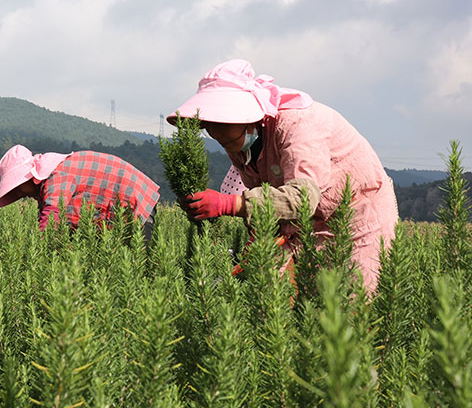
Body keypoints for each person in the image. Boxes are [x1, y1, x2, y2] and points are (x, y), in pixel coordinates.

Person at [168, 59, 398, 292]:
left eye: (224, 126)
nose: (218, 136)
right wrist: (260, 232)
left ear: (248, 118)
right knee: (281, 299)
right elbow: (269, 194)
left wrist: (232, 203)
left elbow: (303, 198)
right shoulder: (241, 145)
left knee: (349, 305)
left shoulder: (298, 125)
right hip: (304, 225)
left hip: (355, 221)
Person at [0, 144, 160, 245]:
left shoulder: (57, 176)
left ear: (28, 178)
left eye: (17, 188)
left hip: (136, 202)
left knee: (138, 266)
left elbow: (51, 218)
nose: (19, 194)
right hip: (120, 210)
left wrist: (35, 253)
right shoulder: (48, 182)